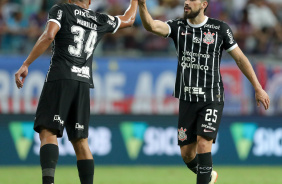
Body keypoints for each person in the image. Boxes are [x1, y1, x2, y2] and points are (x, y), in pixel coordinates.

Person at [138, 0, 270, 184]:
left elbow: (240, 58)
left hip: (211, 96)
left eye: (192, 0)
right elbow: (151, 25)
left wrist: (258, 87)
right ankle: (209, 176)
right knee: (187, 154)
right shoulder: (178, 26)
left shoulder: (220, 29)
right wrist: (142, 5)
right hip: (187, 98)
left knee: (203, 143)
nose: (186, 2)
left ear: (203, 4)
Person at [15, 0, 138, 184]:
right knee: (80, 141)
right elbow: (129, 19)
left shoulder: (61, 9)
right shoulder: (98, 19)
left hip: (61, 77)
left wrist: (26, 63)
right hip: (83, 82)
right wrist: (136, 1)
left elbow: (49, 36)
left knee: (48, 131)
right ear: (89, 1)